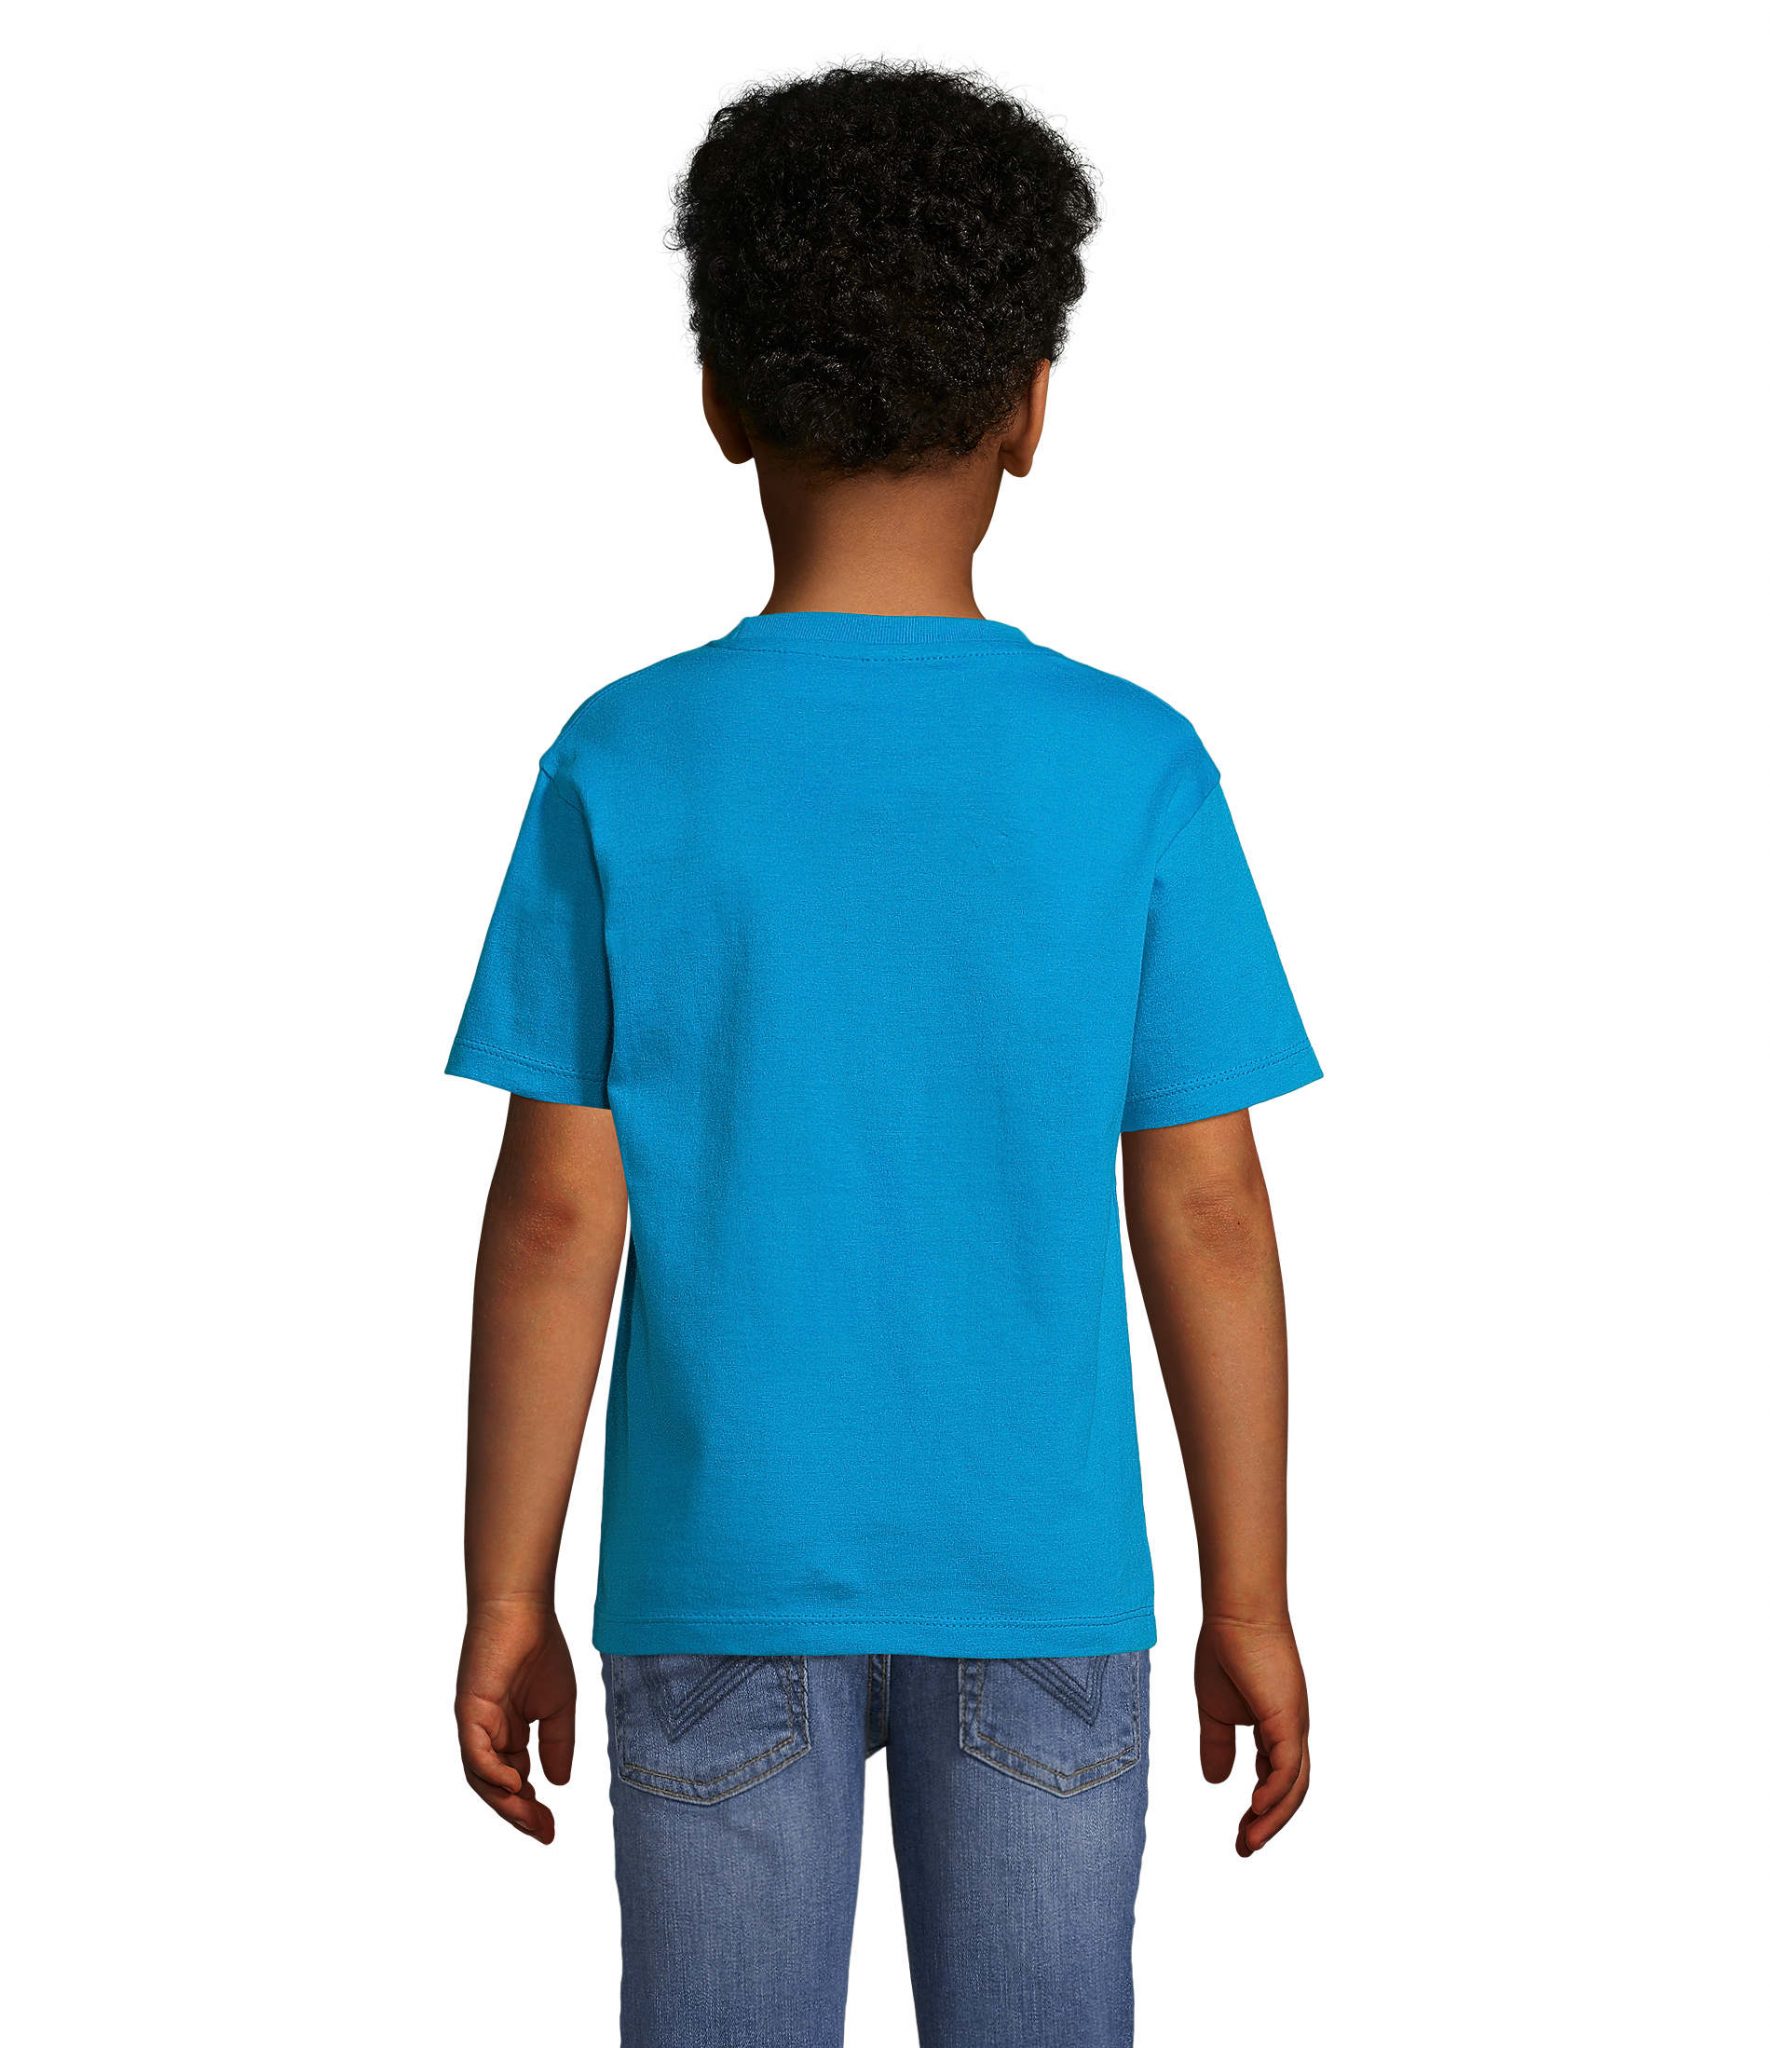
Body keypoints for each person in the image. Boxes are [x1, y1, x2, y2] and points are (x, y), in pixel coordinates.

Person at [448, 62, 1319, 2048]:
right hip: (1041, 1579)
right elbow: (1206, 1210)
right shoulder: (1132, 766)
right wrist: (1250, 1596)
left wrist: (507, 1589)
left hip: (719, 1566)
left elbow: (558, 1215)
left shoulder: (623, 757)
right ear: (1031, 408)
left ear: (723, 401)